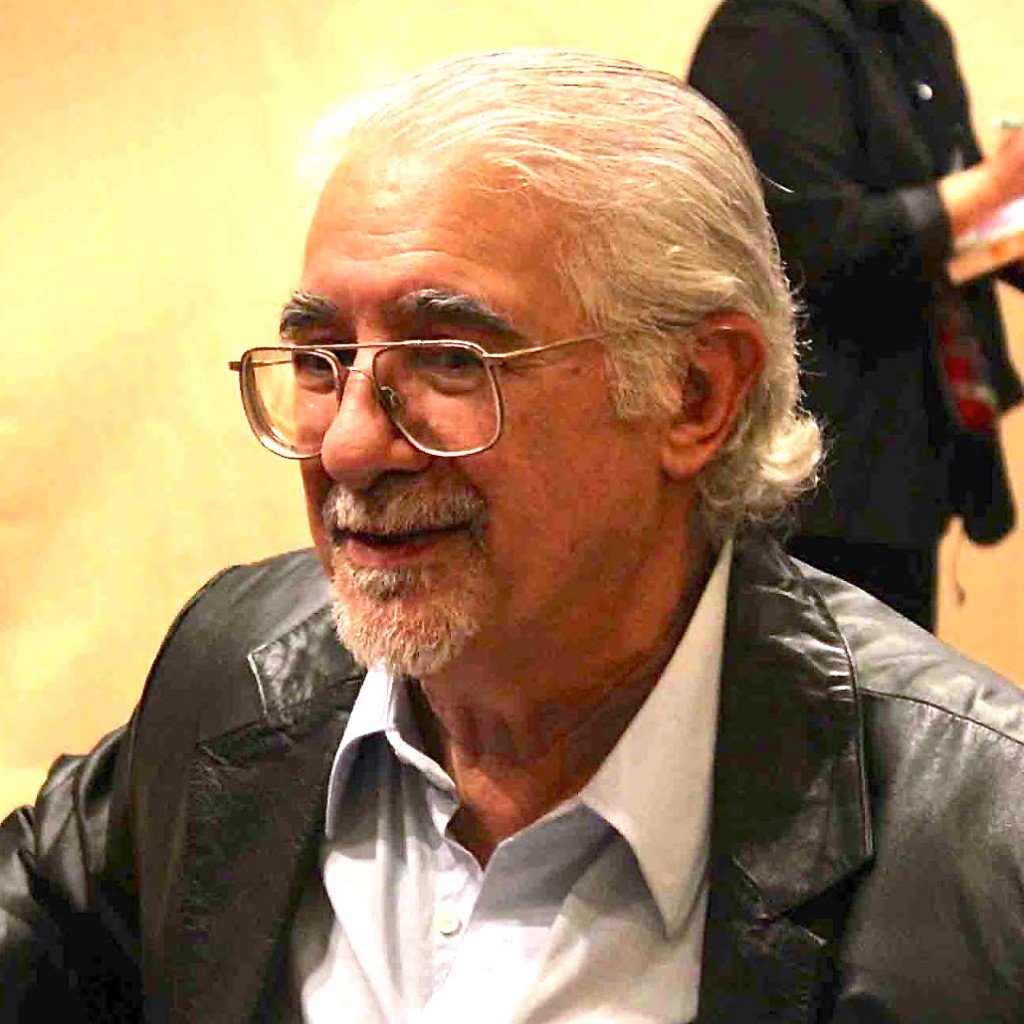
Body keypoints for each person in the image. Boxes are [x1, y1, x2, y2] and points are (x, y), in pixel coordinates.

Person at [2, 49, 1024, 1023]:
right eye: (319, 360)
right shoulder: (238, 670)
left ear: (695, 393)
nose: (349, 445)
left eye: (451, 360)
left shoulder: (975, 840)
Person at [689, 0, 1024, 630]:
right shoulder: (768, 28)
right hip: (811, 468)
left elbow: (960, 222)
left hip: (915, 459)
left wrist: (1002, 205)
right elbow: (810, 246)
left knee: (906, 681)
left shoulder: (917, 27)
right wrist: (996, 184)